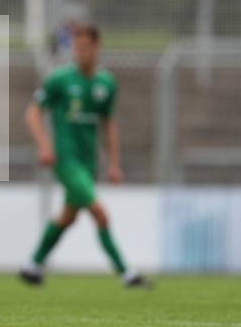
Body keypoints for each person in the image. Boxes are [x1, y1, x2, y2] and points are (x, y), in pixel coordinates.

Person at [20, 24, 150, 288]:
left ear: (96, 48)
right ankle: (127, 273)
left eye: (85, 48)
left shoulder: (105, 83)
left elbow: (108, 124)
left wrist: (113, 163)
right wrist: (45, 146)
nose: (80, 53)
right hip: (66, 161)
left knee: (68, 217)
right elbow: (32, 113)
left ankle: (32, 265)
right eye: (76, 48)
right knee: (100, 213)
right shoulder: (60, 79)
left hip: (89, 162)